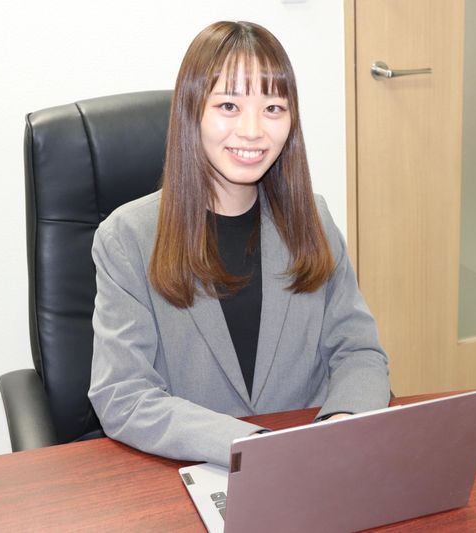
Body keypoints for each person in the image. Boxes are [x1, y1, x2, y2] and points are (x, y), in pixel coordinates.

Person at [88, 21, 390, 467]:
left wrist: (341, 424)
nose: (253, 131)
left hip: (314, 462)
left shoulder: (313, 218)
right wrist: (253, 445)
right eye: (229, 105)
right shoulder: (127, 238)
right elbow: (123, 394)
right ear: (192, 111)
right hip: (196, 467)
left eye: (273, 108)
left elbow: (359, 351)